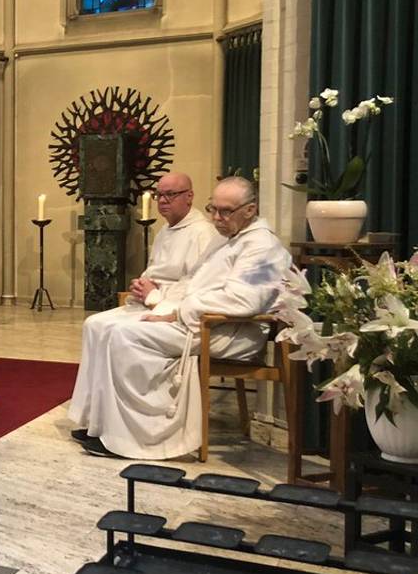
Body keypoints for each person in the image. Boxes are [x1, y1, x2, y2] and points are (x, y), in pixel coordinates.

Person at [68, 176, 291, 459]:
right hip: (203, 320)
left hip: (231, 330)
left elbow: (243, 300)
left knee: (125, 335)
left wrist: (176, 311)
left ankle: (138, 435)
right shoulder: (227, 239)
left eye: (226, 211)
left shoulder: (263, 247)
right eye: (214, 209)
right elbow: (192, 281)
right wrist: (163, 300)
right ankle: (104, 425)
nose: (217, 218)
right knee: (105, 327)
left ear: (250, 209)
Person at [69, 172, 218, 442]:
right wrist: (142, 286)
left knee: (118, 333)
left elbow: (198, 284)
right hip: (155, 300)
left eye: (170, 195)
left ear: (189, 196)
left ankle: (127, 424)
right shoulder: (164, 231)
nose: (163, 201)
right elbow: (155, 272)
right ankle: (95, 418)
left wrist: (155, 295)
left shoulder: (203, 232)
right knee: (94, 324)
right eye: (160, 194)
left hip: (174, 309)